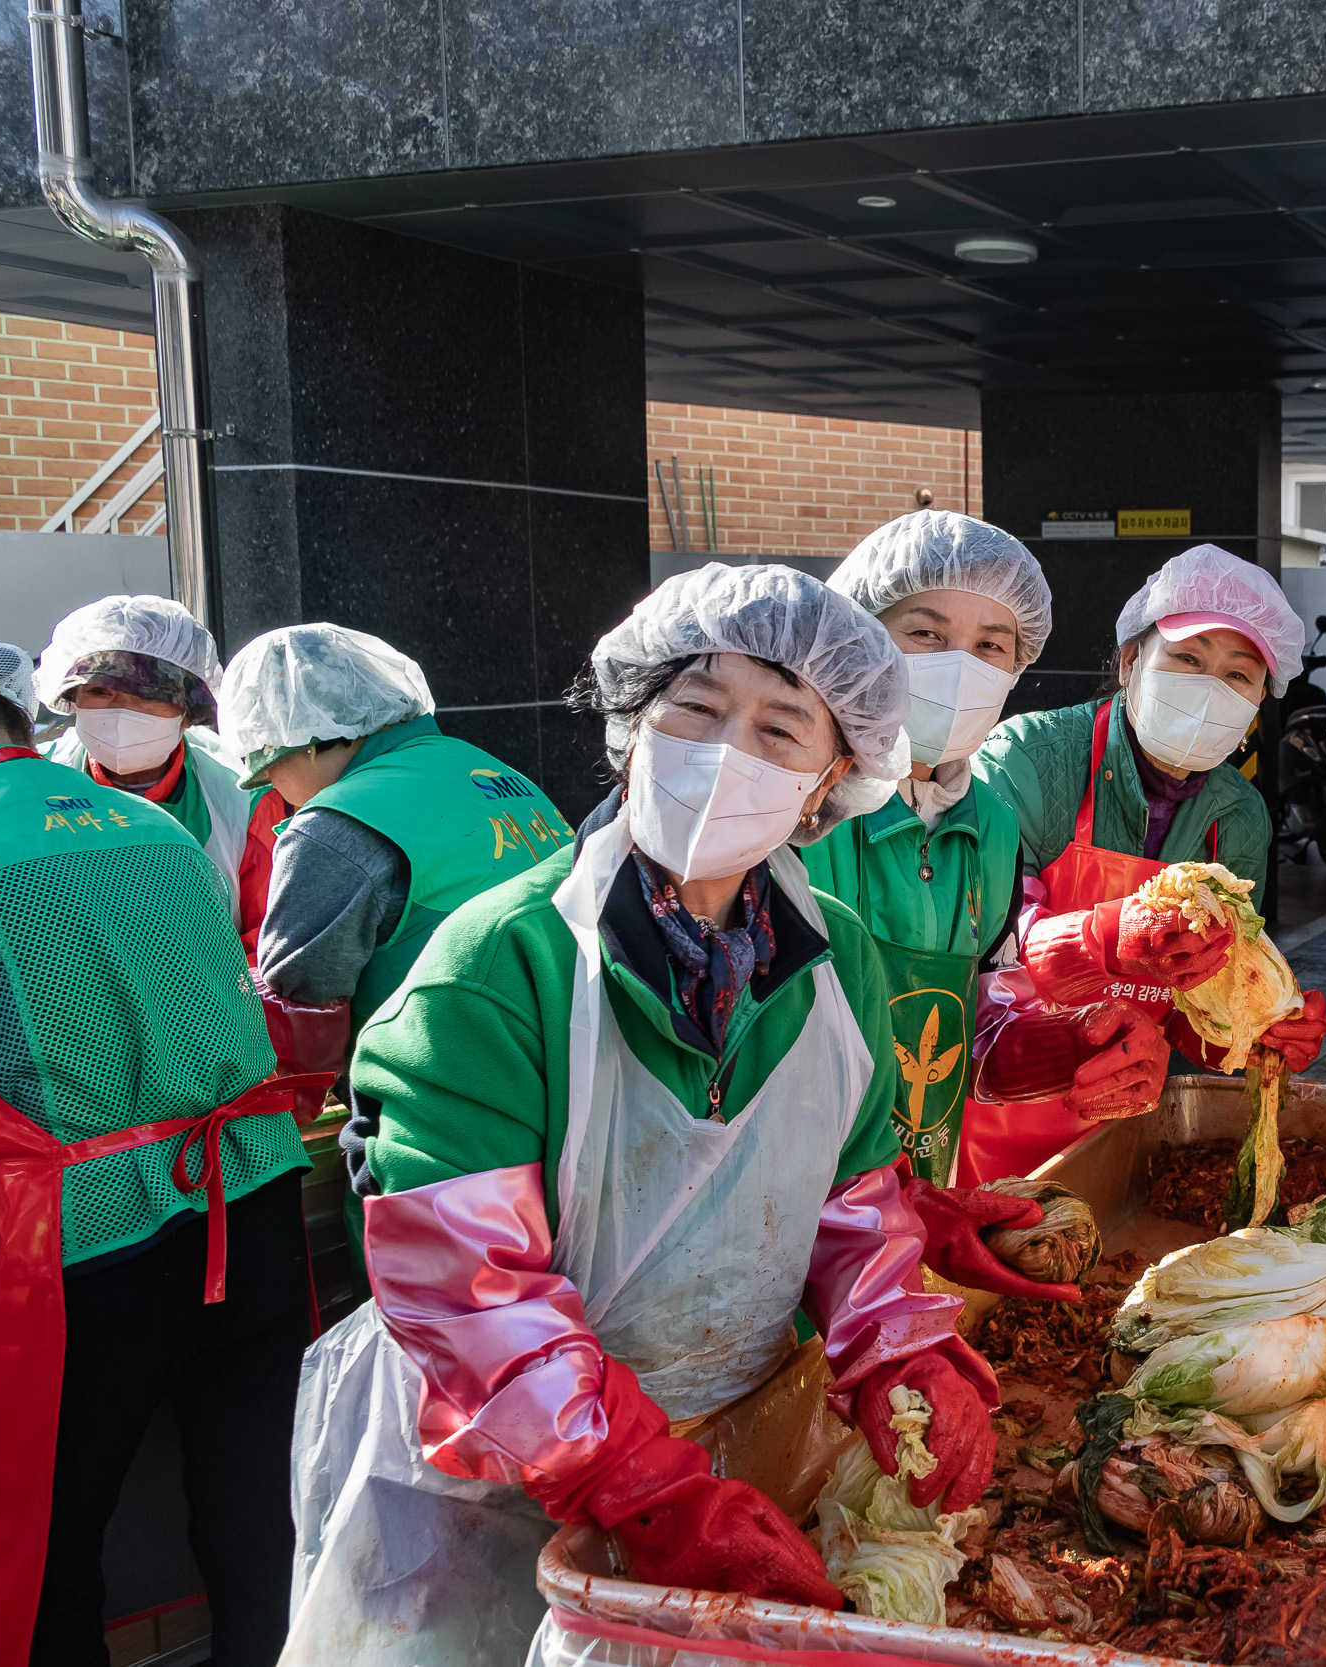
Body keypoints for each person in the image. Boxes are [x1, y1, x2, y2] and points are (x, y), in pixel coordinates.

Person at [280, 564, 999, 1666]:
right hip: (494, 1475)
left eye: (778, 729)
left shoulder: (835, 954)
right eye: (695, 709)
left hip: (733, 1441)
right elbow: (470, 1292)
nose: (725, 754)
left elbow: (852, 1205)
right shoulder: (501, 961)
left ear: (830, 784)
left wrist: (897, 1348)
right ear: (629, 730)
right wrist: (646, 1486)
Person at [0, 639, 324, 1667]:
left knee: (54, 1550)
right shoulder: (151, 826)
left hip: (85, 1241)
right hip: (248, 1204)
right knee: (259, 1517)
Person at [964, 544, 1326, 1183]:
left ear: (1257, 703)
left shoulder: (1236, 816)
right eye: (1187, 658)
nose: (1209, 689)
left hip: (1123, 1110)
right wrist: (1106, 937)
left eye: (1238, 676)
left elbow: (1199, 1006)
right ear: (1133, 659)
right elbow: (987, 941)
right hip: (992, 1100)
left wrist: (1247, 1032)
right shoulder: (1031, 760)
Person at [809, 510, 1101, 1303]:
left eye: (991, 646)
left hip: (915, 1205)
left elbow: (963, 1025)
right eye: (925, 633)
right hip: (795, 1217)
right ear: (859, 638)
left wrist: (1073, 1047)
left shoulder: (994, 826)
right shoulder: (802, 811)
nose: (959, 667)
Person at [219, 623, 570, 1138]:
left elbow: (299, 1002)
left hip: (437, 1115)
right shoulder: (493, 772)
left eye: (267, 769)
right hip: (566, 1072)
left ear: (307, 740)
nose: (271, 788)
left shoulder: (333, 825)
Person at [34, 594, 285, 955]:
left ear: (189, 711)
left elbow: (265, 942)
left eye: (146, 693)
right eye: (99, 691)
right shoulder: (37, 781)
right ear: (71, 700)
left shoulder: (242, 794)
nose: (120, 711)